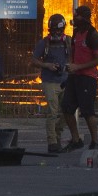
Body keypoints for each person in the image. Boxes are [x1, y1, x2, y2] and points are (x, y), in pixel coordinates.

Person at [60, 5, 98, 151]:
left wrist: (78, 67)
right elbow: (74, 53)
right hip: (74, 77)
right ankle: (76, 139)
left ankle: (95, 141)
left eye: (78, 16)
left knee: (87, 111)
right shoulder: (76, 33)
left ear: (85, 18)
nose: (75, 18)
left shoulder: (93, 35)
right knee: (67, 108)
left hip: (88, 78)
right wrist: (71, 65)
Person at [30, 13, 70, 153]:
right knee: (52, 112)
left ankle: (58, 134)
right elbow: (33, 60)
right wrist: (47, 65)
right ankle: (52, 142)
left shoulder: (69, 42)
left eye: (58, 30)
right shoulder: (43, 43)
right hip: (49, 81)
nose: (56, 33)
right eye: (53, 30)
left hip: (65, 81)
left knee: (68, 111)